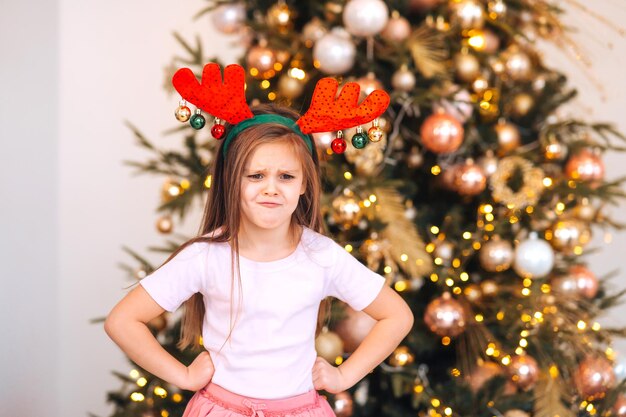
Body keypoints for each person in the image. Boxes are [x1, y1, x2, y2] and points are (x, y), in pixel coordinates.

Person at [105, 70, 414, 417]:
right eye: (255, 175)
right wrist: (184, 376)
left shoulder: (321, 255)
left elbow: (397, 315)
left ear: (304, 185)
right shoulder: (205, 256)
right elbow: (122, 321)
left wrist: (344, 376)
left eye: (286, 176)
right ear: (231, 181)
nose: (271, 188)